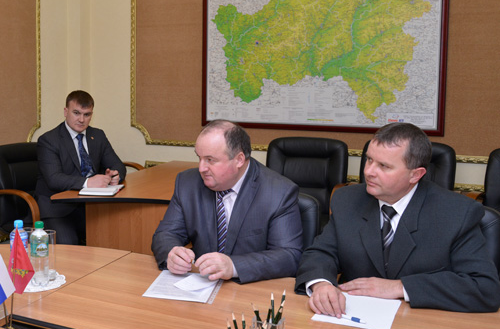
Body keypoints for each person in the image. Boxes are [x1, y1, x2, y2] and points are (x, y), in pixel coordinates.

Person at [295, 122, 500, 313]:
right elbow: (320, 253)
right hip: (353, 318)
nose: (369, 172)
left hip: (422, 324)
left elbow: (484, 288)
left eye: (384, 166)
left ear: (415, 175)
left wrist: (400, 287)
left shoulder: (457, 212)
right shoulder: (347, 199)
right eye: (369, 159)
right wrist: (321, 284)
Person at [152, 120, 302, 283]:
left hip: (250, 288)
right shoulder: (188, 183)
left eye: (210, 160)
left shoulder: (279, 192)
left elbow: (289, 256)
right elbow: (166, 234)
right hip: (201, 284)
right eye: (199, 158)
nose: (201, 168)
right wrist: (172, 253)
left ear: (239, 160)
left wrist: (234, 266)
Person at [36, 90, 126, 245]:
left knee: (116, 232)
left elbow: (118, 165)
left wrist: (115, 175)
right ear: (66, 112)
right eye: (76, 113)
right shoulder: (49, 140)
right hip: (58, 208)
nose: (81, 119)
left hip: (90, 205)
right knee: (69, 244)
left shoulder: (97, 135)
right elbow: (54, 179)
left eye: (87, 114)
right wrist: (88, 182)